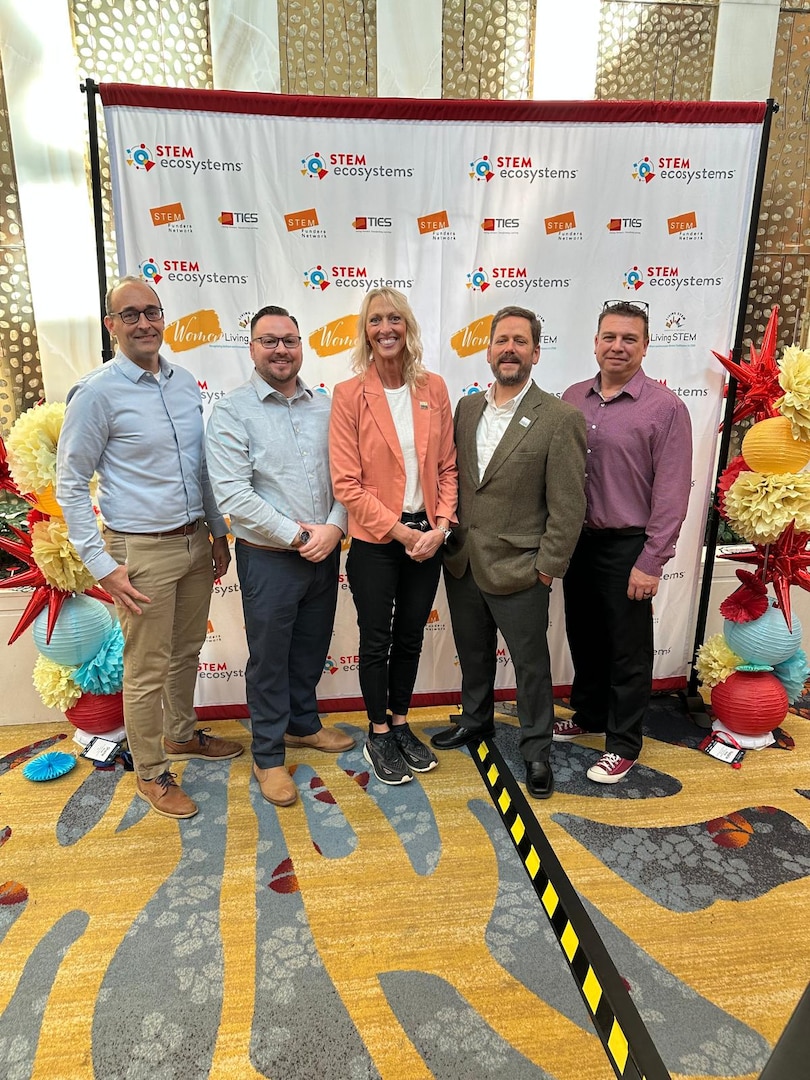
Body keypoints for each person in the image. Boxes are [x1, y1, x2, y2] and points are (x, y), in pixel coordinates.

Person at [56, 276, 243, 821]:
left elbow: (200, 468)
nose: (144, 323)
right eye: (130, 314)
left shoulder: (184, 383)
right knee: (145, 669)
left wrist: (217, 531)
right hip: (138, 552)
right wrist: (101, 564)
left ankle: (181, 736)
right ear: (111, 326)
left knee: (186, 653)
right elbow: (71, 484)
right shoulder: (96, 393)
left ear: (163, 318)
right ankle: (151, 773)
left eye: (152, 312)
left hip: (192, 542)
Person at [431, 306, 586, 800]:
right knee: (473, 657)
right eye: (502, 340)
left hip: (522, 569)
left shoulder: (560, 419)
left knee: (531, 666)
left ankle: (537, 749)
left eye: (521, 341)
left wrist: (546, 570)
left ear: (536, 352)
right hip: (463, 563)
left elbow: (568, 506)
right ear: (489, 349)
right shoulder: (467, 409)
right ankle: (475, 723)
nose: (510, 349)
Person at [205, 305, 352, 808]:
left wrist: (334, 527)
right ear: (252, 347)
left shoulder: (327, 406)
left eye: (289, 340)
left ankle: (302, 726)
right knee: (270, 661)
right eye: (269, 341)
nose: (281, 350)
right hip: (269, 557)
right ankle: (268, 756)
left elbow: (347, 477)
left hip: (326, 551)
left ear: (301, 346)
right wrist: (299, 537)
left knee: (310, 650)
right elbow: (232, 493)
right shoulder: (230, 410)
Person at [557, 300, 692, 783]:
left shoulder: (666, 407)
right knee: (585, 636)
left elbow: (673, 492)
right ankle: (590, 715)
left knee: (628, 650)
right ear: (595, 342)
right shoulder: (572, 397)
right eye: (609, 337)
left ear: (645, 346)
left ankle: (624, 743)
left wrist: (651, 561)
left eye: (629, 338)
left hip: (629, 546)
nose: (618, 346)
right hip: (577, 543)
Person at [329, 288, 458, 785]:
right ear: (366, 330)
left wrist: (441, 527)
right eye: (376, 320)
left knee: (409, 636)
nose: (386, 328)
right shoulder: (348, 395)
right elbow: (347, 484)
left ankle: (401, 722)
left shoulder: (434, 388)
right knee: (377, 638)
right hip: (377, 543)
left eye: (395, 319)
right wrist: (404, 533)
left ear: (408, 327)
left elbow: (447, 467)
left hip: (429, 539)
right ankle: (378, 731)